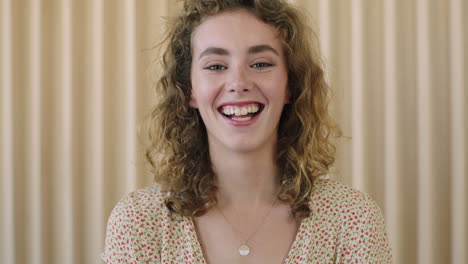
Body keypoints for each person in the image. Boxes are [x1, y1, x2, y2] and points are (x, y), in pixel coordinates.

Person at [102, 0, 392, 263]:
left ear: (290, 85)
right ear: (189, 90)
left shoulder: (353, 220)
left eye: (261, 64)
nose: (238, 82)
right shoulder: (138, 223)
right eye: (216, 65)